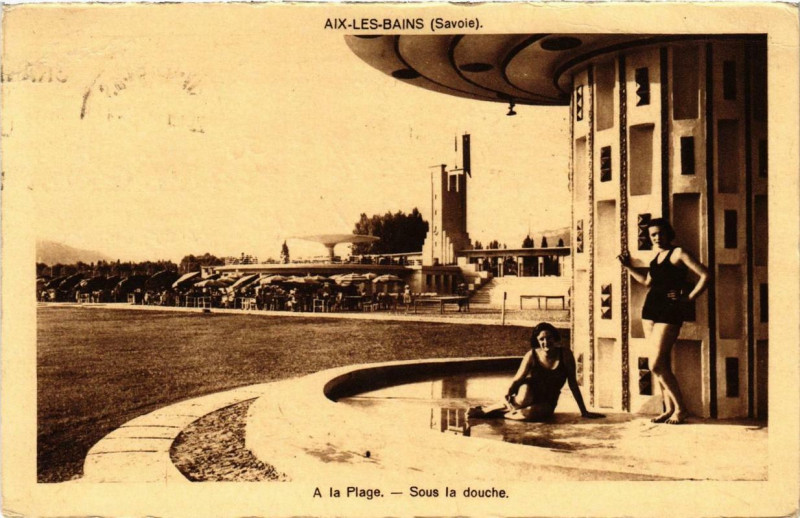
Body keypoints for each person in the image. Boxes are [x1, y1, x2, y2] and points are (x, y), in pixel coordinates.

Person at [618, 217, 709, 424]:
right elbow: (647, 282)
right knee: (662, 363)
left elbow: (705, 275)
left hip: (670, 312)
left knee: (656, 364)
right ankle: (669, 409)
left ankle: (681, 408)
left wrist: (687, 298)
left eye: (660, 233)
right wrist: (628, 267)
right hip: (650, 311)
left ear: (668, 233)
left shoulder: (679, 253)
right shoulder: (656, 258)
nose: (657, 238)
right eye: (653, 235)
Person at [467, 323, 604, 421]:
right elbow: (517, 379)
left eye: (549, 338)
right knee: (523, 398)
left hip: (549, 398)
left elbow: (573, 383)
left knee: (529, 415)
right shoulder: (532, 355)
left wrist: (583, 411)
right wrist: (507, 394)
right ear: (537, 341)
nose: (546, 342)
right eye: (541, 339)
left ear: (554, 338)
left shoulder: (565, 354)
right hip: (529, 390)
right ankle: (485, 411)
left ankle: (497, 413)